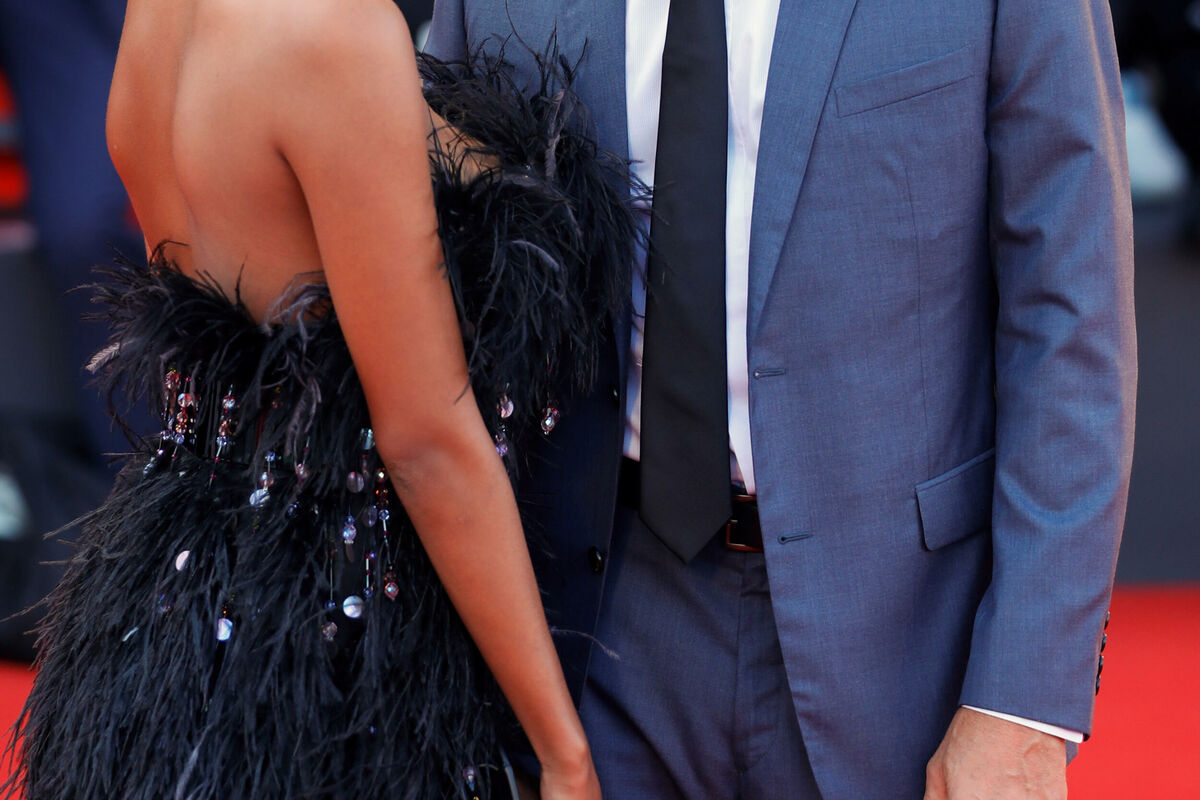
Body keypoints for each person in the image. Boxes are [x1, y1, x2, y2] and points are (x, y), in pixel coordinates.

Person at [427, 0, 1136, 798]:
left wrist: (1021, 702)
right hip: (592, 641)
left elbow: (1071, 310)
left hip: (909, 641)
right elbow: (435, 253)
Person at [6, 0, 646, 797]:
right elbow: (427, 445)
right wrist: (562, 753)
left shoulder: (160, 16)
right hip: (330, 650)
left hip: (161, 606)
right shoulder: (332, 34)